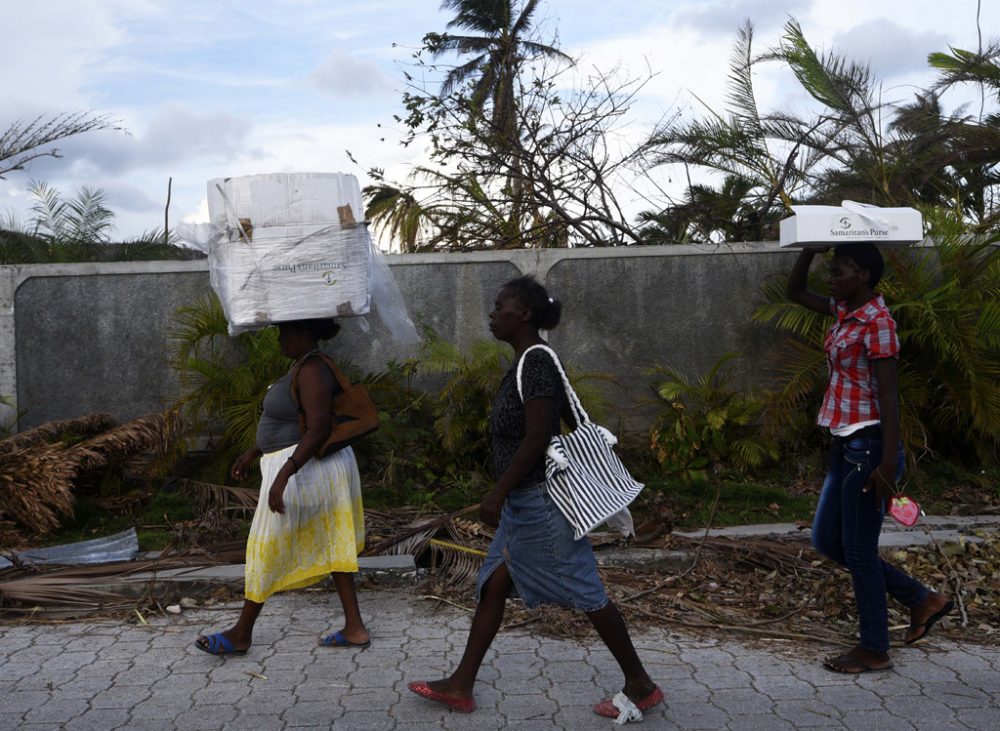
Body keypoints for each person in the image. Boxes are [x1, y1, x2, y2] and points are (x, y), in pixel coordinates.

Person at [407, 276, 662, 722]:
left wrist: (498, 489)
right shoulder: (527, 362)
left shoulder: (536, 361)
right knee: (493, 584)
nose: (492, 313)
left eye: (499, 305)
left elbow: (541, 434)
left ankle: (640, 686)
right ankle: (461, 684)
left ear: (523, 313)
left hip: (542, 503)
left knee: (586, 591)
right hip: (523, 504)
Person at [786, 244, 953, 674]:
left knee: (859, 552)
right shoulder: (843, 311)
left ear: (862, 274)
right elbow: (794, 292)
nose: (830, 277)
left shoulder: (878, 323)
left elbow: (890, 397)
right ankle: (922, 599)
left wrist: (885, 460)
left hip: (869, 448)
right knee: (826, 540)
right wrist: (808, 250)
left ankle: (875, 648)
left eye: (837, 270)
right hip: (846, 443)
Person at [195, 318, 369, 655]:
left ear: (304, 334)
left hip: (307, 470)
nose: (279, 340)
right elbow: (292, 421)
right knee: (334, 543)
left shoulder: (313, 370)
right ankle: (355, 628)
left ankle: (241, 634)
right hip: (305, 467)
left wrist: (283, 475)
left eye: (284, 333)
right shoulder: (303, 367)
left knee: (265, 547)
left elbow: (317, 429)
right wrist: (253, 452)